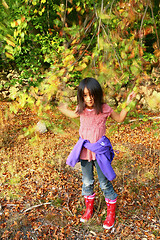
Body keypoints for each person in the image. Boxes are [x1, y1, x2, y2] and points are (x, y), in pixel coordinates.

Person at [59, 77, 136, 229]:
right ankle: (89, 210)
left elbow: (120, 118)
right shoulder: (80, 109)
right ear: (81, 96)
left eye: (91, 94)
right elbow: (72, 114)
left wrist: (128, 102)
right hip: (85, 152)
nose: (88, 98)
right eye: (85, 95)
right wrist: (61, 107)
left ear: (97, 94)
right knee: (87, 181)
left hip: (99, 152)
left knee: (104, 183)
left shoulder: (104, 109)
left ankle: (110, 214)